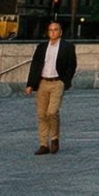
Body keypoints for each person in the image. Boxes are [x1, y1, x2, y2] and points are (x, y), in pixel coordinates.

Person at [24, 20, 77, 155]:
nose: (53, 32)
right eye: (51, 30)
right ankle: (43, 144)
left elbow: (72, 65)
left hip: (57, 82)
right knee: (41, 114)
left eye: (56, 29)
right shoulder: (41, 47)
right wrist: (30, 84)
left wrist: (65, 81)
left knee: (52, 112)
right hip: (43, 82)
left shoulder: (67, 47)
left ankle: (54, 138)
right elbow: (35, 66)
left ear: (60, 32)